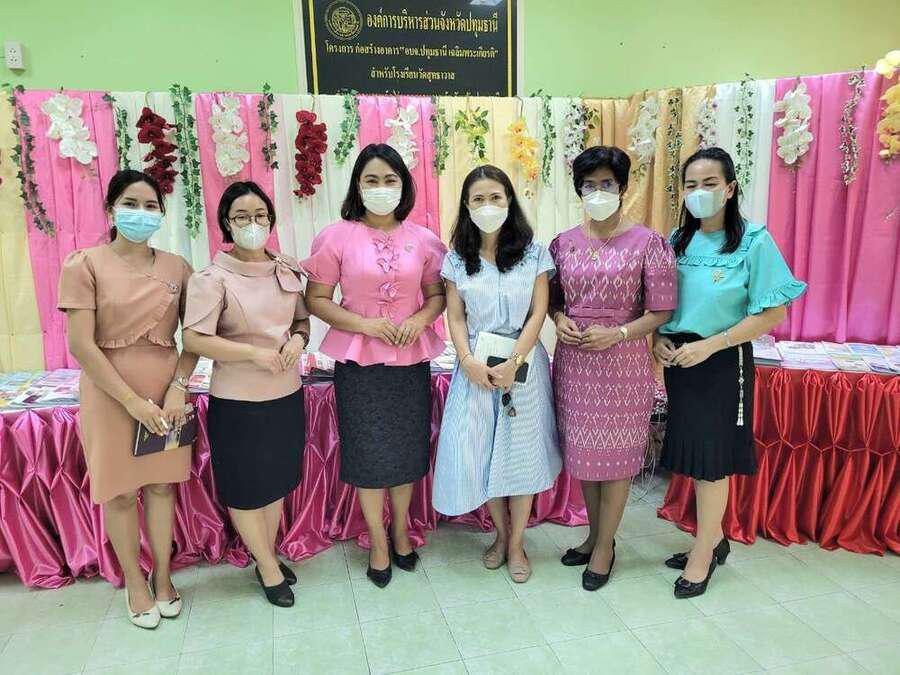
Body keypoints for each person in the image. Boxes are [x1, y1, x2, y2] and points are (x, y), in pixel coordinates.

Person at [654, 147, 806, 598]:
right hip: (681, 362)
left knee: (711, 463)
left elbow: (772, 313)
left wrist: (711, 345)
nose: (699, 192)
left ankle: (704, 554)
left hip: (723, 362)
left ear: (730, 188)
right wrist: (657, 338)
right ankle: (714, 538)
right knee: (694, 457)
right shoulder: (676, 241)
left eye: (709, 184)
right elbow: (662, 302)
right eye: (691, 185)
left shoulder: (753, 241)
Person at [301, 143, 447, 588]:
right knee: (366, 454)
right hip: (359, 363)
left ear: (403, 186)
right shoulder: (335, 237)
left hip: (410, 360)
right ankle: (377, 540)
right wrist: (365, 324)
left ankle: (401, 530)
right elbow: (317, 299)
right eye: (372, 180)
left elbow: (437, 295)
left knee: (406, 451)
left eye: (390, 180)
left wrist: (418, 320)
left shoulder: (424, 239)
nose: (381, 188)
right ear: (357, 186)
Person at [59, 169, 198, 629]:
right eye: (131, 204)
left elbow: (195, 335)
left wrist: (178, 387)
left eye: (151, 206)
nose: (142, 214)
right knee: (119, 493)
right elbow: (81, 345)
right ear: (111, 210)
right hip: (109, 394)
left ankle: (163, 576)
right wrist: (131, 401)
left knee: (161, 486)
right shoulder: (85, 264)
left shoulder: (177, 267)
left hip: (166, 392)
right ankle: (134, 582)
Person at [549, 146, 677, 591]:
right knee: (584, 457)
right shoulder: (562, 243)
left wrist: (619, 333)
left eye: (607, 183)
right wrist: (559, 320)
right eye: (589, 185)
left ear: (622, 188)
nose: (598, 192)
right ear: (579, 190)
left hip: (623, 366)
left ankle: (605, 547)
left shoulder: (649, 243)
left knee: (617, 460)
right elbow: (553, 301)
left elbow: (661, 310)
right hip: (574, 363)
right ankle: (592, 535)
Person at [183, 181, 309, 608]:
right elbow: (195, 339)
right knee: (245, 488)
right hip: (238, 400)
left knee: (275, 482)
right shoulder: (211, 279)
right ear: (226, 223)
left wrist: (298, 341)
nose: (252, 224)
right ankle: (268, 567)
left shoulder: (285, 267)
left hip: (286, 393)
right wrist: (253, 353)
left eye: (259, 215)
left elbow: (302, 322)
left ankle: (265, 555)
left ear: (271, 220)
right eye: (241, 216)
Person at [433, 165, 561, 584]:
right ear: (466, 206)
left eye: (495, 198)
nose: (487, 206)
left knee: (520, 457)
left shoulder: (535, 254)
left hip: (525, 369)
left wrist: (516, 361)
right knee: (482, 455)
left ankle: (518, 542)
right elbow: (455, 316)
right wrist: (467, 360)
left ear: (509, 202)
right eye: (478, 199)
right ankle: (501, 537)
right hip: (474, 369)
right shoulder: (457, 260)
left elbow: (538, 312)